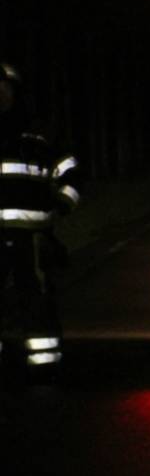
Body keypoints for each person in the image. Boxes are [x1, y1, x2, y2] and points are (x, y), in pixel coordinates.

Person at [0, 62, 81, 382]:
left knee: (36, 300)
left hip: (32, 238)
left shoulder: (39, 137)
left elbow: (71, 174)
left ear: (16, 93)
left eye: (5, 89)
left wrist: (61, 204)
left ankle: (44, 365)